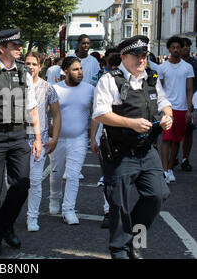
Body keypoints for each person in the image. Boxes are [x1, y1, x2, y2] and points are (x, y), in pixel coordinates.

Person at [93, 35, 172, 259]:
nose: (141, 60)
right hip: (120, 152)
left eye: (144, 56)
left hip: (147, 150)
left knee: (158, 194)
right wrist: (131, 123)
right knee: (120, 205)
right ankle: (119, 250)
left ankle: (135, 241)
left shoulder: (152, 78)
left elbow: (165, 105)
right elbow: (100, 114)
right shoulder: (110, 80)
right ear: (124, 57)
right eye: (137, 56)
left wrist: (168, 118)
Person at [0, 28, 42, 256]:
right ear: (2, 48)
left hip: (19, 135)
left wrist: (38, 137)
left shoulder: (24, 72)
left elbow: (32, 106)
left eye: (19, 45)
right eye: (15, 46)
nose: (19, 49)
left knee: (22, 184)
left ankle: (5, 224)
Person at [48, 56, 95, 225]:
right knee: (56, 173)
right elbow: (44, 112)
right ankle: (54, 197)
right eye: (75, 69)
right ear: (65, 71)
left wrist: (94, 136)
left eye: (81, 69)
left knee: (73, 175)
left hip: (79, 138)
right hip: (58, 139)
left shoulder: (89, 89)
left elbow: (95, 114)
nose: (80, 72)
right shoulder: (54, 89)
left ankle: (68, 209)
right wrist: (49, 132)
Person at [24, 52, 61, 232]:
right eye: (27, 64)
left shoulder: (48, 88)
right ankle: (10, 214)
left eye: (33, 64)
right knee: (12, 182)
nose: (30, 67)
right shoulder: (16, 85)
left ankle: (32, 217)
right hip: (17, 141)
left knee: (36, 180)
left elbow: (56, 114)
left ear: (40, 67)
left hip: (40, 140)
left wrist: (54, 139)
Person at [92, 49, 122, 228]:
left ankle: (122, 211)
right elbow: (97, 114)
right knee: (109, 175)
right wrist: (94, 138)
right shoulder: (104, 83)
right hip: (108, 136)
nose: (116, 69)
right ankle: (108, 211)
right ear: (107, 66)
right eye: (113, 65)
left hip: (129, 138)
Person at [158, 36, 194, 183]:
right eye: (173, 47)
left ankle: (171, 167)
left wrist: (189, 109)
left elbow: (189, 89)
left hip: (182, 108)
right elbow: (159, 88)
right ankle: (164, 170)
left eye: (178, 47)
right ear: (169, 49)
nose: (176, 50)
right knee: (166, 139)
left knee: (176, 141)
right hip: (167, 108)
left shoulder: (187, 67)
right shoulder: (162, 67)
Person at [180, 38, 197, 171]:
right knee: (171, 133)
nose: (187, 48)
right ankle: (172, 157)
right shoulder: (172, 63)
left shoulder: (194, 64)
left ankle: (185, 158)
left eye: (188, 46)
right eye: (184, 46)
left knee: (188, 131)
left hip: (190, 102)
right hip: (175, 102)